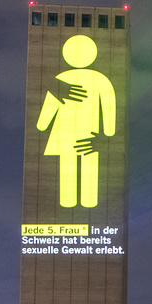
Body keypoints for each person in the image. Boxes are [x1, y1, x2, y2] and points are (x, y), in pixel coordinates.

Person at [36, 35, 117, 208]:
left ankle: (68, 202)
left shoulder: (60, 80)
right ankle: (87, 203)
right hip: (90, 135)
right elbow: (109, 110)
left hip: (64, 136)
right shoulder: (102, 80)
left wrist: (44, 122)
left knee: (68, 174)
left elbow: (43, 122)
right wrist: (106, 135)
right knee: (88, 174)